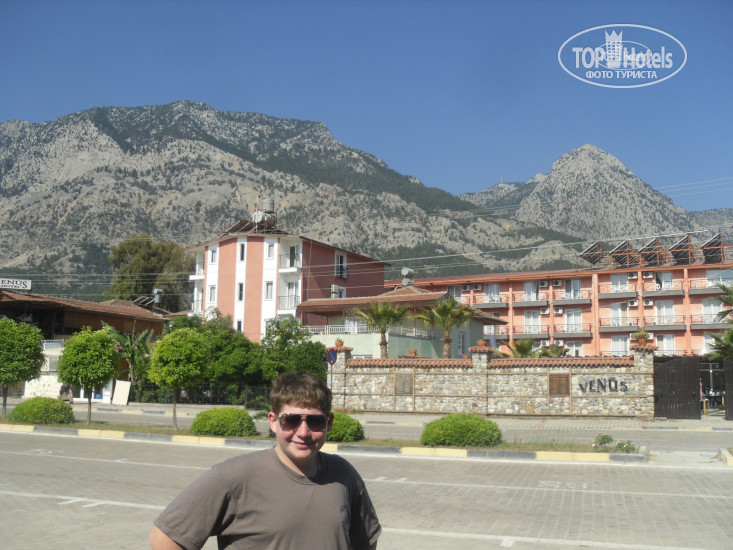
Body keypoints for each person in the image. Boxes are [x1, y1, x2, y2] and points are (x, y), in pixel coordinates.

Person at [149, 372, 381, 550]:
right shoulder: (233, 477)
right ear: (273, 421)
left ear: (328, 423)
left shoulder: (344, 475)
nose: (303, 432)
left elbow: (366, 542)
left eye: (315, 422)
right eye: (291, 420)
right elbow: (164, 539)